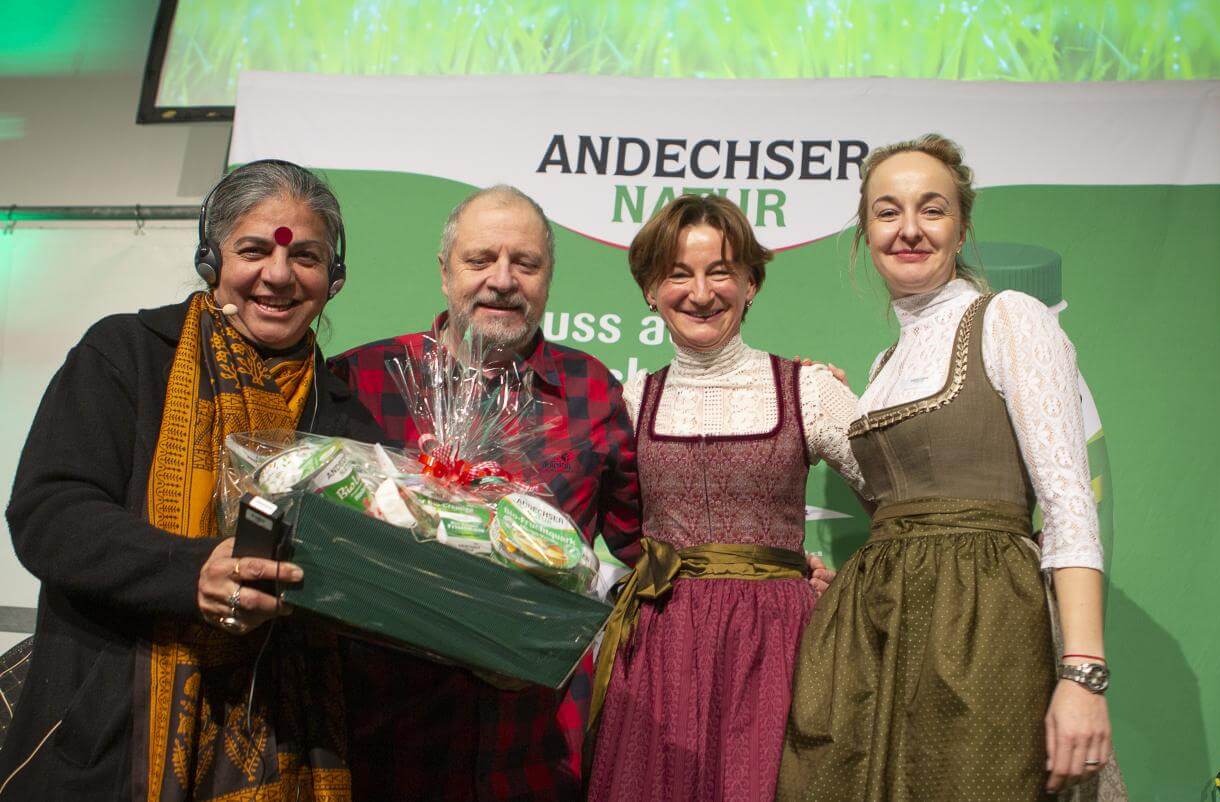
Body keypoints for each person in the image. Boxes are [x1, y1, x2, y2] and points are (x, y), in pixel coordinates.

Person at [0, 160, 382, 801]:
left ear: (333, 278)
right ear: (212, 258)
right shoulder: (126, 355)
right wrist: (190, 572)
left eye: (307, 257)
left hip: (284, 744)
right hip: (109, 736)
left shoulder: (344, 417)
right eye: (253, 250)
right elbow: (48, 513)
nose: (279, 275)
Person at [777, 135, 1113, 801]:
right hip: (875, 630)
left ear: (961, 227)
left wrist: (1082, 674)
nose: (908, 229)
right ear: (864, 232)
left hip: (984, 619)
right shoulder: (880, 367)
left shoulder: (1010, 317)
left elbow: (1070, 505)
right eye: (887, 211)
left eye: (931, 210)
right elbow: (900, 510)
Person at [327, 184, 643, 802]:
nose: (502, 280)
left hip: (535, 746)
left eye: (525, 263)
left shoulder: (591, 390)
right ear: (445, 273)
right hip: (383, 741)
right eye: (480, 260)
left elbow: (644, 547)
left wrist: (761, 573)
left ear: (548, 277)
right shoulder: (357, 379)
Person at [586, 196, 864, 802]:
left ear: (751, 283)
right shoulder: (629, 400)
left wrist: (851, 592)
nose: (701, 292)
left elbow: (908, 506)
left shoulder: (809, 390)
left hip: (778, 647)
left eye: (720, 271)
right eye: (678, 273)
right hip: (661, 644)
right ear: (649, 290)